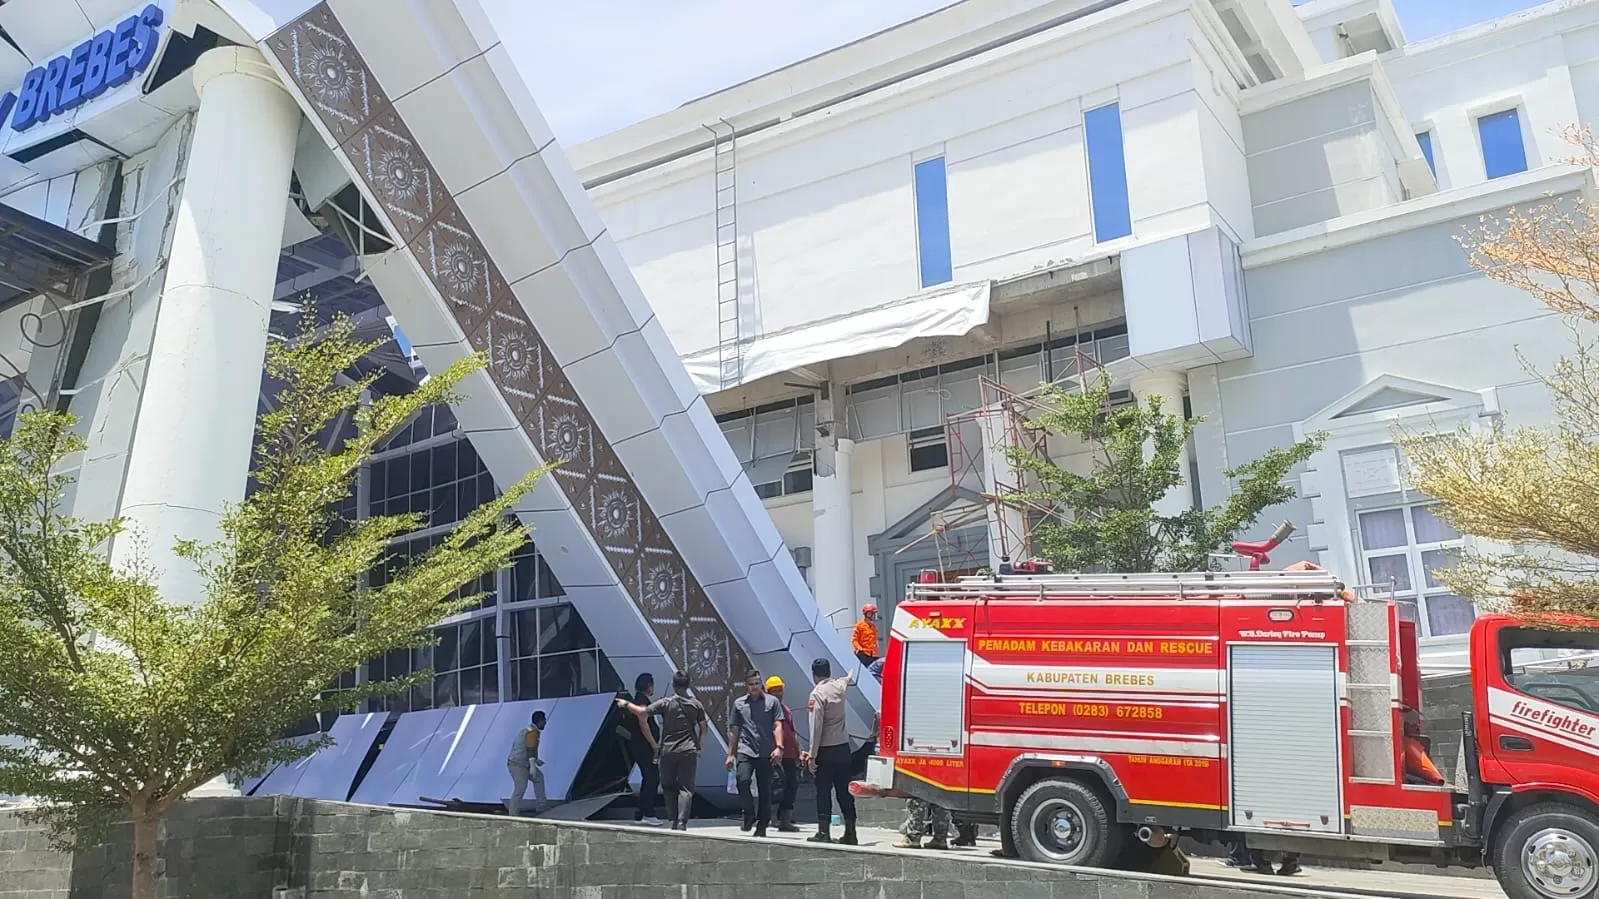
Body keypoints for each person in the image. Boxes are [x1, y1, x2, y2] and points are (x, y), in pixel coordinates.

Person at [616, 670, 707, 831]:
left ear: (673, 685)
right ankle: (679, 821)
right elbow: (703, 727)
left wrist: (626, 704)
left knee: (667, 784)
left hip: (668, 750)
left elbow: (642, 713)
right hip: (687, 750)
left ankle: (670, 818)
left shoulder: (665, 703)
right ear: (688, 685)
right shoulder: (696, 704)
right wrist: (699, 745)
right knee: (683, 787)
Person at [803, 657, 858, 845]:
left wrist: (812, 755)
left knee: (823, 791)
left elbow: (816, 726)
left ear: (814, 674)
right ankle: (851, 832)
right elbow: (846, 679)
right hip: (843, 748)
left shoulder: (816, 694)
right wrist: (850, 674)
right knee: (844, 791)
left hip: (825, 750)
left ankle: (823, 832)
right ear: (828, 672)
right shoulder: (839, 687)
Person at [726, 670, 783, 838]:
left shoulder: (772, 702)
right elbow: (734, 730)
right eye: (751, 685)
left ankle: (762, 825)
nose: (754, 687)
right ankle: (749, 813)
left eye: (756, 684)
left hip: (766, 751)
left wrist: (779, 747)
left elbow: (777, 725)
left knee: (765, 790)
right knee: (742, 780)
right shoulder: (739, 704)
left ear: (761, 684)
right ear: (746, 686)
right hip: (746, 749)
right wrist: (731, 754)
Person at [622, 673, 663, 826]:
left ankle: (640, 813)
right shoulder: (641, 702)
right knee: (652, 777)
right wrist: (654, 744)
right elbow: (643, 723)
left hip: (638, 745)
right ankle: (647, 812)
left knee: (650, 776)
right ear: (649, 686)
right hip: (644, 746)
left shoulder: (637, 700)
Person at [764, 675, 803, 833]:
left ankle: (785, 819)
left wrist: (799, 752)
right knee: (777, 785)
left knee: (792, 784)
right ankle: (773, 818)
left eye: (780, 690)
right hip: (773, 755)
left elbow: (793, 733)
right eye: (775, 691)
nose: (778, 693)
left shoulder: (786, 710)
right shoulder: (765, 710)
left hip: (788, 755)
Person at [506, 709, 547, 817]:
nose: (545, 722)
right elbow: (529, 748)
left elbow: (532, 747)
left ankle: (542, 806)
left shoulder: (531, 729)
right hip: (517, 765)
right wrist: (532, 765)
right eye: (544, 720)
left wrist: (536, 759)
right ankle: (513, 815)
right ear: (539, 721)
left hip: (524, 763)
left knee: (539, 778)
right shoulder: (532, 732)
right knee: (520, 788)